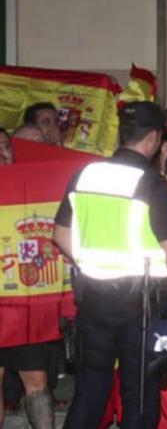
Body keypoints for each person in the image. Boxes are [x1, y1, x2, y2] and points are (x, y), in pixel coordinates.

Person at [52, 101, 167, 429]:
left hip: (92, 298)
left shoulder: (86, 173)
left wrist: (90, 260)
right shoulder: (151, 182)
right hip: (139, 304)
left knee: (89, 393)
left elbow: (59, 233)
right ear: (154, 138)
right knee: (139, 395)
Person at [0, 130, 54, 429]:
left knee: (37, 382)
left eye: (6, 146)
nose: (1, 151)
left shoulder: (32, 189)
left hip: (28, 304)